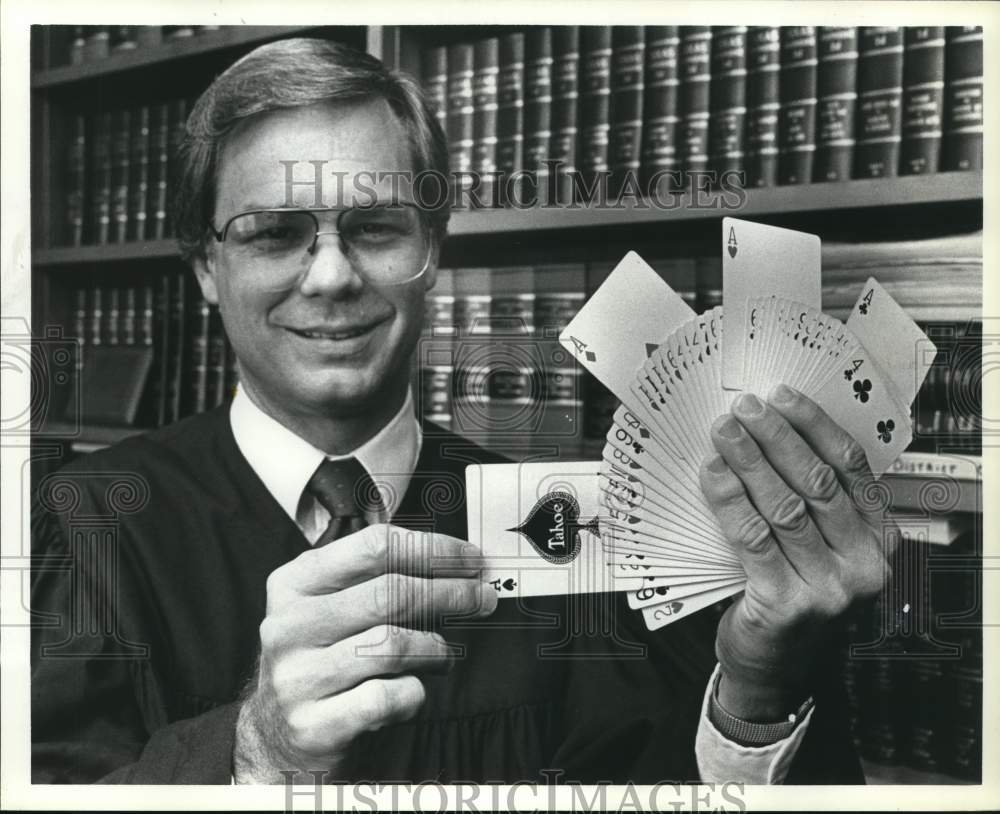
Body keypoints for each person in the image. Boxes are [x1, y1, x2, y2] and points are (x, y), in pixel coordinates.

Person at [31, 37, 892, 785]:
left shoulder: (572, 533)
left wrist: (757, 687)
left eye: (376, 227)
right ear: (206, 269)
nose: (330, 277)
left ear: (432, 251)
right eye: (273, 233)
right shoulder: (90, 523)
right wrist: (253, 752)